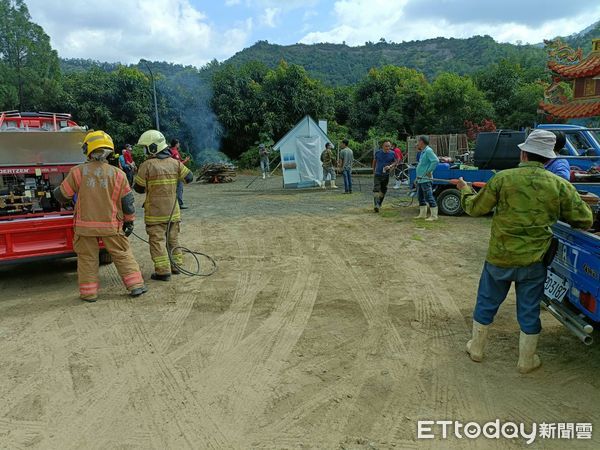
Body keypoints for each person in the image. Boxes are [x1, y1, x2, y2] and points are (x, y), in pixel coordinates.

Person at [457, 129, 593, 374]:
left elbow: (475, 209)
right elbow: (584, 219)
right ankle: (526, 361)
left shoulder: (502, 179)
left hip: (500, 257)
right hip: (534, 261)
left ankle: (476, 349)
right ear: (548, 157)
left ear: (524, 153)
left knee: (487, 301)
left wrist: (465, 190)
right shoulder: (559, 185)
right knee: (529, 308)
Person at [53, 130, 147, 302]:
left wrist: (53, 191)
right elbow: (128, 202)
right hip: (111, 225)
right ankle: (136, 286)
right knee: (122, 253)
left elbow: (62, 195)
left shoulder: (77, 172)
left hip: (85, 227)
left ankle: (89, 294)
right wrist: (130, 222)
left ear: (87, 149)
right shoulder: (119, 174)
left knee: (87, 259)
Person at [135, 130, 194, 281]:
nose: (144, 151)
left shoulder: (146, 165)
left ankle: (163, 272)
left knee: (157, 242)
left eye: (145, 147)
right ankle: (177, 266)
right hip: (173, 213)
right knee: (173, 239)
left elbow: (139, 188)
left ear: (153, 148)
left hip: (155, 214)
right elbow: (189, 178)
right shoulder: (175, 163)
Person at [414, 135, 440, 221]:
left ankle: (434, 216)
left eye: (418, 141)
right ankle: (422, 214)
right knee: (420, 197)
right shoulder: (423, 151)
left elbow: (435, 161)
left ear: (422, 142)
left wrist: (429, 171)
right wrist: (416, 179)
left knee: (429, 196)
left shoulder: (428, 151)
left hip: (426, 179)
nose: (417, 143)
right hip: (420, 179)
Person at [372, 140, 398, 212]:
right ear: (382, 146)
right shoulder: (378, 153)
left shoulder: (392, 153)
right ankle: (376, 204)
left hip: (386, 175)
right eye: (386, 146)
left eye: (389, 146)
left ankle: (379, 203)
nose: (387, 148)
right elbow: (374, 161)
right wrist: (373, 170)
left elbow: (396, 162)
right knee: (376, 189)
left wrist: (390, 166)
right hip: (378, 174)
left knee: (383, 190)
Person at [169, 139, 190, 209]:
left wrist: (183, 160)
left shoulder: (170, 151)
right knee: (179, 188)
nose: (179, 144)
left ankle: (173, 203)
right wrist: (186, 160)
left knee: (173, 188)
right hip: (176, 173)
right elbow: (178, 164)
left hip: (171, 172)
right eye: (178, 143)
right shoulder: (175, 152)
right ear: (176, 144)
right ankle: (180, 204)